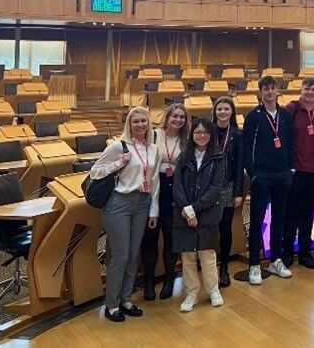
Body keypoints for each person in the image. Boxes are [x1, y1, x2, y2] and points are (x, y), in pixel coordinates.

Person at [90, 106, 159, 322]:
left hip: (142, 202)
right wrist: (120, 162)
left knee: (133, 254)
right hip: (119, 203)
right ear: (129, 124)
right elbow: (95, 172)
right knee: (120, 256)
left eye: (143, 121)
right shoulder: (118, 146)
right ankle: (111, 304)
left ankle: (126, 300)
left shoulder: (153, 149)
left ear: (149, 124)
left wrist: (153, 210)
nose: (140, 125)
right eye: (135, 121)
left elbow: (154, 181)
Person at [242, 76, 294, 284]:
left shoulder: (285, 115)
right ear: (260, 92)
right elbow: (247, 147)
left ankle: (275, 259)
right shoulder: (253, 116)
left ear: (278, 91)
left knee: (279, 218)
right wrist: (253, 173)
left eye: (273, 88)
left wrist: (290, 168)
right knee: (257, 220)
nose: (270, 92)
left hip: (283, 174)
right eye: (266, 88)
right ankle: (254, 263)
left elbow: (289, 142)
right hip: (262, 175)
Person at [173, 118, 226, 312]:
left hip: (207, 213)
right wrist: (187, 210)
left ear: (210, 135)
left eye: (205, 132)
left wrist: (194, 208)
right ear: (192, 135)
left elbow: (216, 188)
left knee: (207, 254)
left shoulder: (219, 158)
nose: (201, 136)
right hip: (184, 213)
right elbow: (177, 187)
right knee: (187, 256)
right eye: (197, 132)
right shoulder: (183, 157)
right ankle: (192, 293)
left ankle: (213, 290)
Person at [282, 77, 314, 269]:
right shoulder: (291, 109)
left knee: (308, 212)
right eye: (307, 88)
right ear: (301, 89)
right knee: (291, 212)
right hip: (295, 169)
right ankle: (286, 253)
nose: (310, 91)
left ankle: (305, 252)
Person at [141, 103, 188, 300]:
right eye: (174, 116)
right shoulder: (153, 135)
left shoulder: (185, 140)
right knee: (149, 238)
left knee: (171, 237)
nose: (178, 120)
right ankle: (149, 282)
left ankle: (169, 279)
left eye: (182, 117)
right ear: (167, 117)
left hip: (174, 190)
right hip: (152, 187)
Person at [212, 96, 244, 288]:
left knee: (224, 226)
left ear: (232, 112)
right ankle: (209, 266)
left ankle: (224, 267)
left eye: (226, 109)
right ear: (214, 112)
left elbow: (240, 164)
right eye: (219, 109)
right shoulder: (207, 130)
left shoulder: (237, 134)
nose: (222, 112)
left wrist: (238, 192)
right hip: (208, 188)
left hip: (227, 187)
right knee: (209, 227)